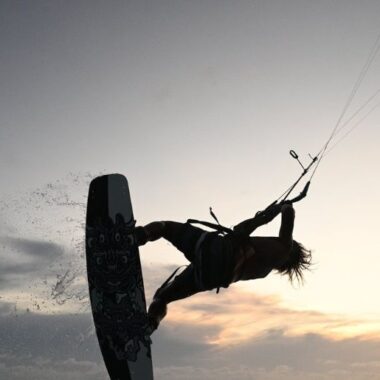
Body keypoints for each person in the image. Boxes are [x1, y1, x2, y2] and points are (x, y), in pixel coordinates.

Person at [135, 202, 312, 333]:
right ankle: (150, 324)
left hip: (215, 250)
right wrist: (264, 216)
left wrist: (284, 207)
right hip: (209, 278)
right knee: (162, 298)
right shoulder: (263, 270)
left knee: (165, 227)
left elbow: (288, 216)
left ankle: (136, 237)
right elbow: (242, 230)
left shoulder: (284, 248)